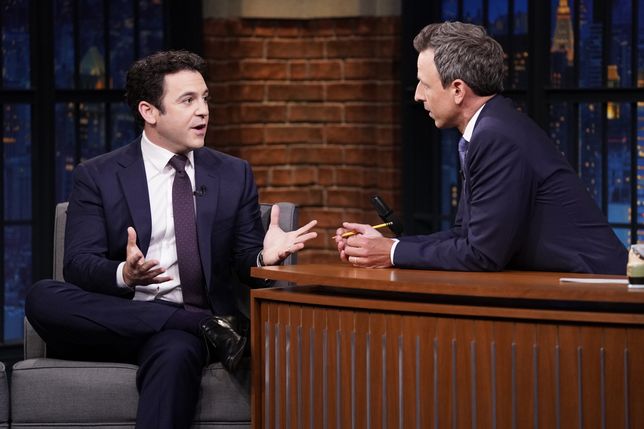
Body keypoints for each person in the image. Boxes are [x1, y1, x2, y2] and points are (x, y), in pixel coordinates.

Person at [25, 50, 317, 428]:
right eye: (188, 100)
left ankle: (189, 327)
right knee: (42, 296)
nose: (203, 111)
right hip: (116, 320)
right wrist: (125, 275)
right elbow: (79, 264)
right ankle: (198, 325)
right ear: (149, 111)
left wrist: (264, 258)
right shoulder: (98, 175)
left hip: (178, 336)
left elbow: (246, 259)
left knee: (176, 353)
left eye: (205, 99)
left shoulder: (233, 174)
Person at [335, 21, 626, 275]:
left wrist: (390, 254)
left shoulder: (496, 136)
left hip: (598, 294)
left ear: (458, 90)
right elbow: (465, 236)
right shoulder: (491, 126)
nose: (418, 95)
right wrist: (385, 246)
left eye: (424, 84)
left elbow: (482, 255)